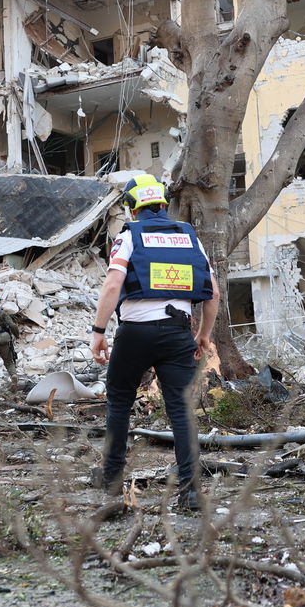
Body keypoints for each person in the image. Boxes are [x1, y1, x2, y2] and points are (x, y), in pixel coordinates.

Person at [90, 174, 219, 511]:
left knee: (119, 401)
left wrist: (98, 331)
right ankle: (190, 491)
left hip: (134, 332)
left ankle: (112, 482)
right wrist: (203, 335)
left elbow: (113, 283)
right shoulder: (189, 236)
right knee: (179, 407)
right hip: (177, 333)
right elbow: (213, 293)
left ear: (133, 208)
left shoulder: (130, 235)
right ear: (164, 204)